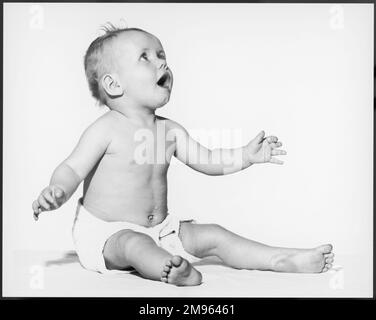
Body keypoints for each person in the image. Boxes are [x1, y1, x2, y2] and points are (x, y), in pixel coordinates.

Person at [32, 26, 334, 286]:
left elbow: (209, 160)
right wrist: (57, 191)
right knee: (134, 244)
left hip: (162, 228)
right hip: (108, 234)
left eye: (162, 55)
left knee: (213, 234)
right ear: (113, 84)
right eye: (145, 57)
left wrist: (245, 156)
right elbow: (72, 168)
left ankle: (280, 258)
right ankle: (169, 270)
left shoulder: (170, 131)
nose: (161, 62)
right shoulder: (106, 129)